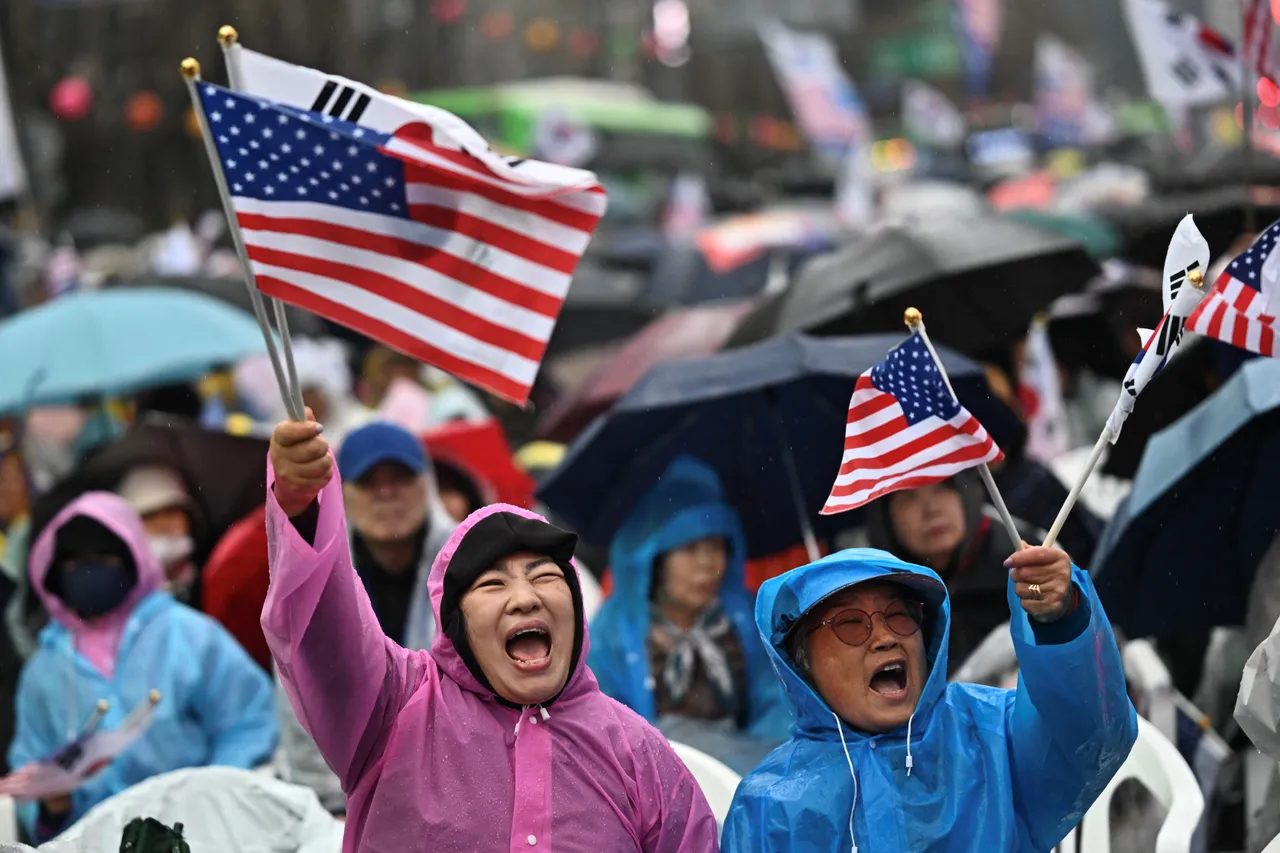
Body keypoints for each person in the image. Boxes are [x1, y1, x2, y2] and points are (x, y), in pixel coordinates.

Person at [264, 411, 719, 850]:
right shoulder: (396, 712)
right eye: (493, 584)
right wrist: (303, 509)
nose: (525, 598)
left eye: (545, 577)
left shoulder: (639, 753)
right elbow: (326, 638)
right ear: (457, 624)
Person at [721, 543, 1137, 852]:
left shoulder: (989, 733)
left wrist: (1061, 621)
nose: (885, 638)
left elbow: (1092, 734)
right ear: (802, 664)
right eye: (849, 623)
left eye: (899, 615)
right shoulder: (771, 804)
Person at [8, 492, 277, 841]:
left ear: (133, 559)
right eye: (74, 563)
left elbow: (248, 721)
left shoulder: (189, 636)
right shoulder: (44, 672)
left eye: (105, 557)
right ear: (53, 574)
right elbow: (29, 762)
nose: (90, 571)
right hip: (94, 843)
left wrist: (210, 797)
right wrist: (47, 806)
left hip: (197, 836)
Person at [589, 456, 791, 764]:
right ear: (654, 558)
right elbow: (605, 730)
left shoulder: (749, 617)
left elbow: (778, 706)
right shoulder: (613, 633)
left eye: (716, 547)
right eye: (690, 549)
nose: (708, 564)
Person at [866, 471, 1040, 672]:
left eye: (943, 488)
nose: (932, 510)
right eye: (908, 498)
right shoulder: (874, 594)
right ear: (884, 518)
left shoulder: (1024, 560)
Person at [116, 466, 202, 604]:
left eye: (171, 512)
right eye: (150, 515)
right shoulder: (121, 596)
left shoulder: (208, 578)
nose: (163, 524)